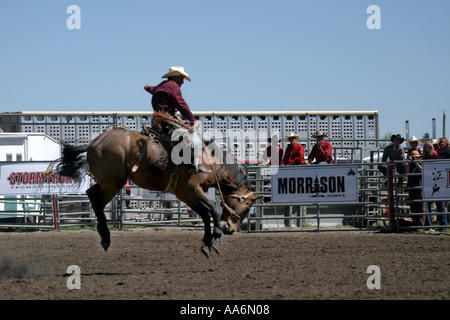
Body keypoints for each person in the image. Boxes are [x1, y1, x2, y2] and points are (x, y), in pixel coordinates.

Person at [144, 66, 210, 173]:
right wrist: (193, 120)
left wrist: (147, 87)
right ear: (176, 77)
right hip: (167, 121)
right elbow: (181, 105)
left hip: (158, 122)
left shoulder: (162, 86)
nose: (183, 82)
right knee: (186, 136)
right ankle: (193, 166)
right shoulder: (173, 86)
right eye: (182, 78)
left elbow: (152, 89)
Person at [404, 150, 426, 231]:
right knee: (413, 208)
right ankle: (415, 225)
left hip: (420, 188)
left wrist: (416, 163)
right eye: (414, 157)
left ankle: (421, 226)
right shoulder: (410, 165)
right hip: (411, 187)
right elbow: (406, 173)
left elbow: (422, 171)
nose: (415, 158)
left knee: (421, 208)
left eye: (416, 157)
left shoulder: (421, 163)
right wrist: (409, 163)